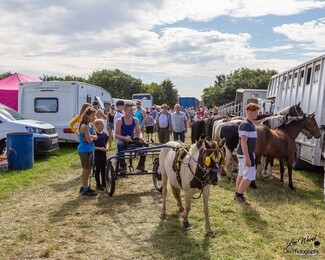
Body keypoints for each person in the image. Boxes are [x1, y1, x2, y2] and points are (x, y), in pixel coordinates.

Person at [234, 103, 260, 204]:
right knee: (249, 176)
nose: (257, 114)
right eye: (256, 112)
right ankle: (239, 195)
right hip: (246, 153)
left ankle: (237, 193)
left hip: (246, 153)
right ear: (250, 112)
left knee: (242, 173)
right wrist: (248, 158)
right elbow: (243, 142)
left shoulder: (250, 123)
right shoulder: (246, 124)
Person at [115, 103, 147, 176]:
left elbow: (139, 132)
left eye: (132, 110)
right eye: (130, 110)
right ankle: (123, 167)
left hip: (132, 138)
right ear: (125, 110)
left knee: (145, 145)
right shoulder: (119, 121)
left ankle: (141, 166)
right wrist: (124, 138)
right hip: (123, 139)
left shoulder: (135, 120)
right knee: (120, 146)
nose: (132, 112)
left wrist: (141, 137)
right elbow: (116, 135)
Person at [77, 107, 98, 196]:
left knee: (89, 169)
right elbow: (90, 140)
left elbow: (96, 137)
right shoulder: (84, 126)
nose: (94, 117)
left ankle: (85, 186)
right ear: (87, 116)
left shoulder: (91, 125)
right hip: (84, 150)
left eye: (94, 116)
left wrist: (91, 137)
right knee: (86, 169)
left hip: (90, 149)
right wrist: (91, 137)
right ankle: (85, 188)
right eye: (92, 116)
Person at [94, 119, 108, 191]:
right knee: (98, 169)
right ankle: (98, 184)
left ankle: (104, 182)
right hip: (97, 154)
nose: (103, 126)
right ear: (96, 126)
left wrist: (106, 148)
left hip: (104, 154)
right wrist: (99, 148)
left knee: (104, 169)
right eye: (101, 124)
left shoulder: (104, 134)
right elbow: (92, 146)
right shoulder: (95, 135)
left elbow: (106, 143)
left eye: (103, 124)